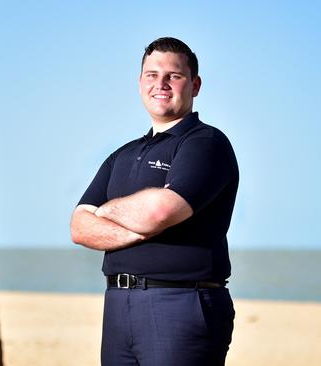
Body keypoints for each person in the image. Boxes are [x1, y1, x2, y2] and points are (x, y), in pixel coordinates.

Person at [70, 37, 239, 366]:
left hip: (180, 303)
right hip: (118, 304)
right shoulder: (123, 154)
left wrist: (107, 213)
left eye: (173, 76)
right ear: (140, 82)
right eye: (151, 75)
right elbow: (79, 227)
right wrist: (139, 228)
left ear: (195, 84)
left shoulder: (206, 143)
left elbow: (162, 210)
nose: (160, 83)